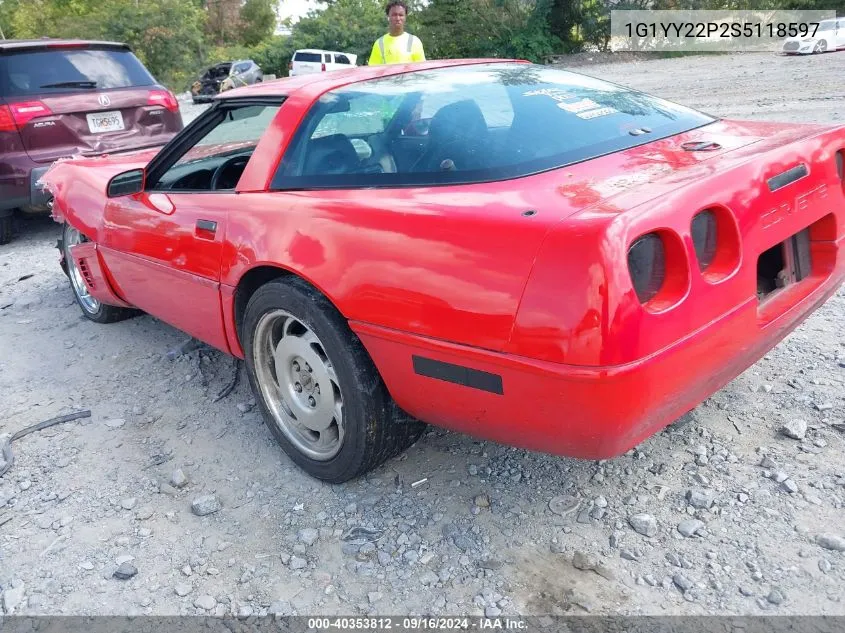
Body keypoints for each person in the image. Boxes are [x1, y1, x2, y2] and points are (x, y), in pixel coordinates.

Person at [368, 1, 426, 65]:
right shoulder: (379, 43)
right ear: (388, 17)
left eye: (401, 15)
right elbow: (372, 70)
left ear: (405, 17)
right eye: (394, 15)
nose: (398, 18)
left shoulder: (414, 41)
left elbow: (421, 69)